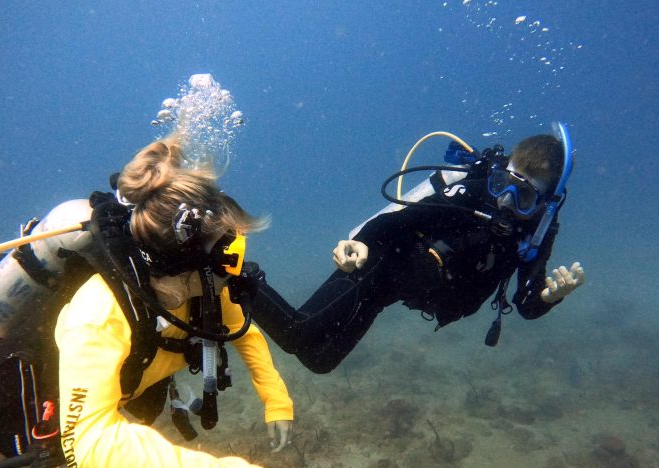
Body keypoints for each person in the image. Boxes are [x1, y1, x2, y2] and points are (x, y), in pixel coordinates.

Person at [0, 134, 294, 468]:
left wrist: (276, 401)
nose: (239, 268)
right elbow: (87, 448)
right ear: (184, 266)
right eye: (232, 254)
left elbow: (243, 333)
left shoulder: (204, 289)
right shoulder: (99, 314)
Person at [232, 128, 585, 374]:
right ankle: (234, 270)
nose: (505, 199)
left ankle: (235, 277)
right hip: (377, 262)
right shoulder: (473, 193)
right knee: (296, 333)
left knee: (319, 361)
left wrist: (552, 296)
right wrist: (360, 242)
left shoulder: (537, 233)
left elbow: (527, 304)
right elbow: (399, 220)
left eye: (524, 195)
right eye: (503, 183)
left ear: (544, 202)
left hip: (390, 292)